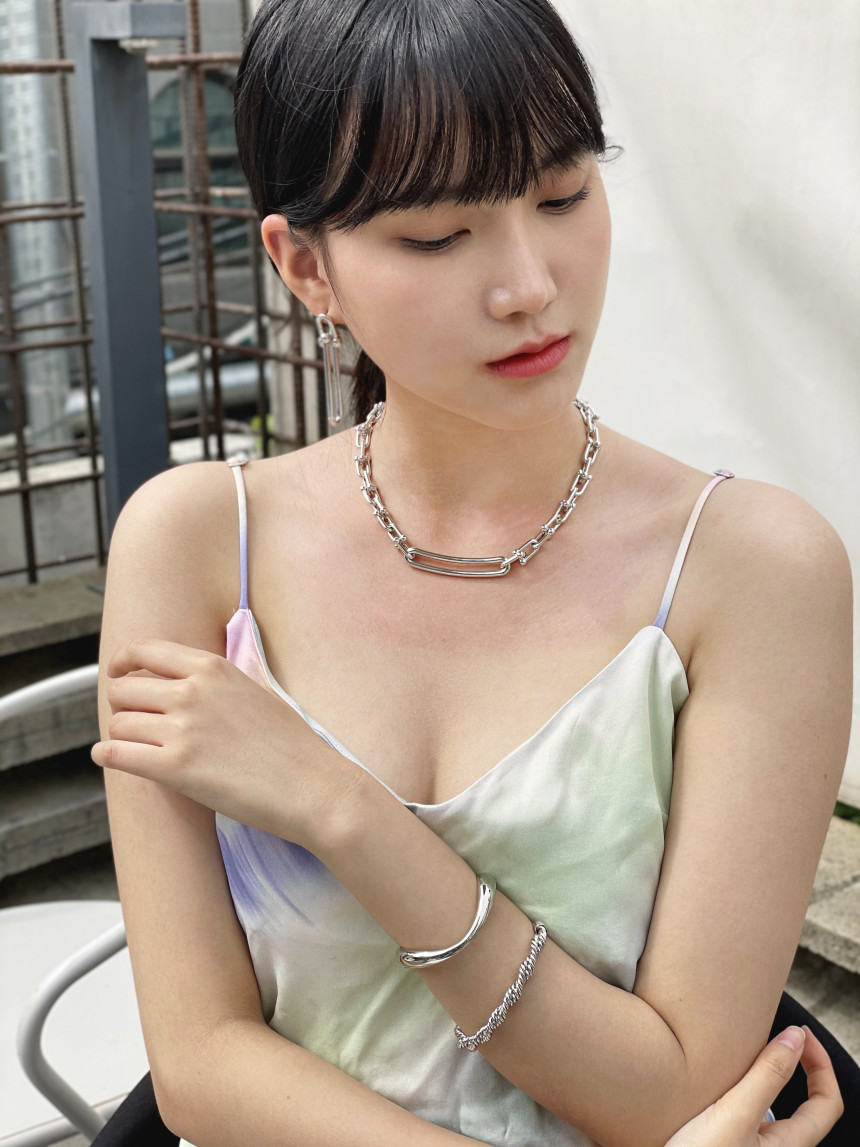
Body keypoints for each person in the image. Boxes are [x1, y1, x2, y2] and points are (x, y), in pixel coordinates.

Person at [90, 1, 856, 1145]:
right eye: (437, 236)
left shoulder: (748, 565)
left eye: (561, 195)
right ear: (304, 266)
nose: (527, 285)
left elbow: (665, 1091)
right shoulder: (197, 542)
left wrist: (344, 812)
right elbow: (199, 1063)